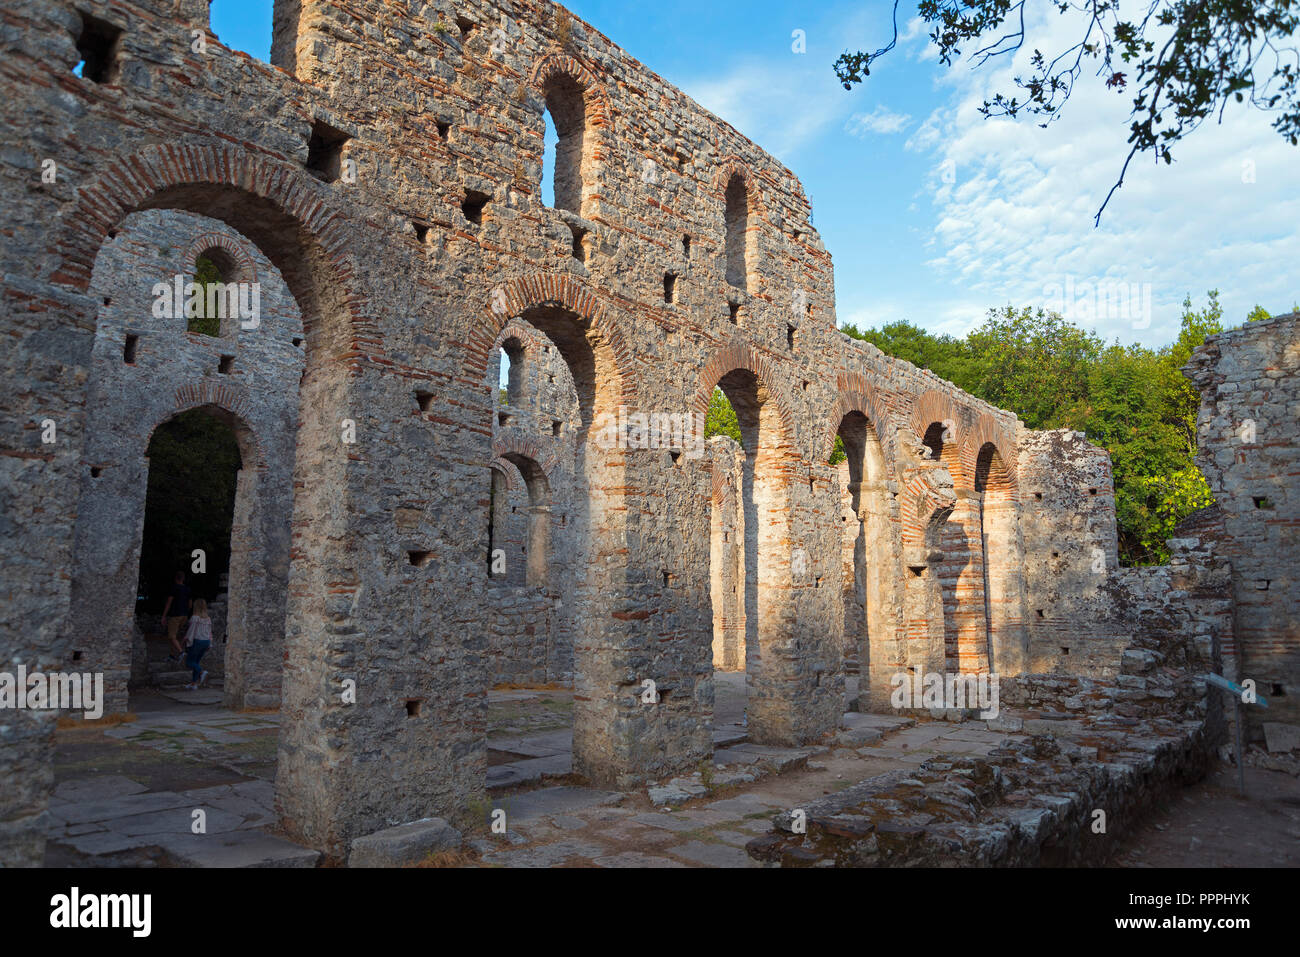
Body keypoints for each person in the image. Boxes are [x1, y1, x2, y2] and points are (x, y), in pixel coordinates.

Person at [182, 598, 212, 690]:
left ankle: (202, 672)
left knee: (189, 662)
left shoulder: (195, 618)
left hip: (197, 641)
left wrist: (185, 639)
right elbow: (210, 632)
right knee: (196, 662)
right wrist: (210, 643)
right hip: (206, 641)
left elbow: (191, 631)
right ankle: (193, 684)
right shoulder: (208, 619)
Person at [161, 570, 191, 661]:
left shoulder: (174, 588)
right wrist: (186, 613)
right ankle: (171, 655)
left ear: (175, 578)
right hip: (184, 615)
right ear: (183, 579)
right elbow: (190, 604)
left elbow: (169, 603)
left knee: (171, 636)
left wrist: (164, 616)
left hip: (175, 615)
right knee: (175, 636)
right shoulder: (187, 589)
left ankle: (181, 652)